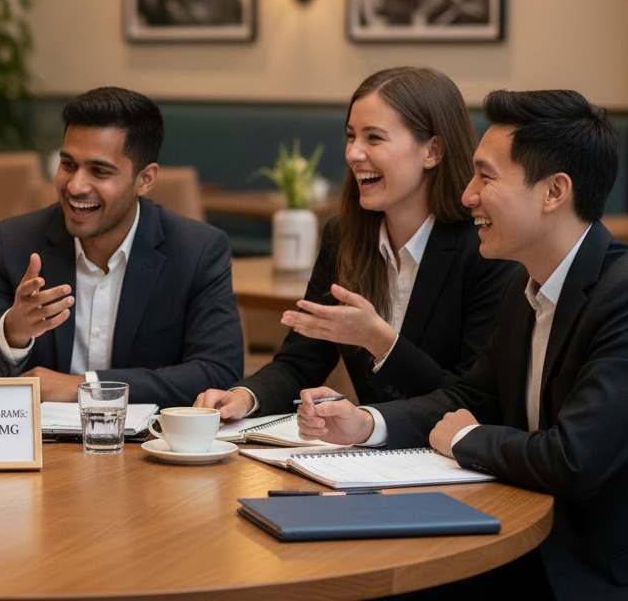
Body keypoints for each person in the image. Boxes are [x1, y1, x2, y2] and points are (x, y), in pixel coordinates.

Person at [296, 89, 628, 597]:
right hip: (518, 535)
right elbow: (471, 398)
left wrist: (466, 439)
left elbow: (574, 461)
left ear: (554, 192)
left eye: (485, 177)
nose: (467, 195)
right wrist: (366, 424)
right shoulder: (524, 282)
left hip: (598, 568)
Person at [195, 68, 516, 419]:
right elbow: (300, 362)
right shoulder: (344, 236)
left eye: (374, 138)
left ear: (433, 151)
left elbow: (472, 401)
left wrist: (380, 341)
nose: (353, 154)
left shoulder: (484, 248)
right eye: (351, 136)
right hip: (363, 461)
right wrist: (245, 396)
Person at [0, 86, 242, 405]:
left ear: (145, 179)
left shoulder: (196, 251)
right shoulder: (15, 244)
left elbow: (218, 373)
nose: (75, 186)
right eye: (67, 165)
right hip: (40, 449)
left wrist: (86, 387)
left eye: (99, 171)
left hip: (146, 448)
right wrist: (13, 331)